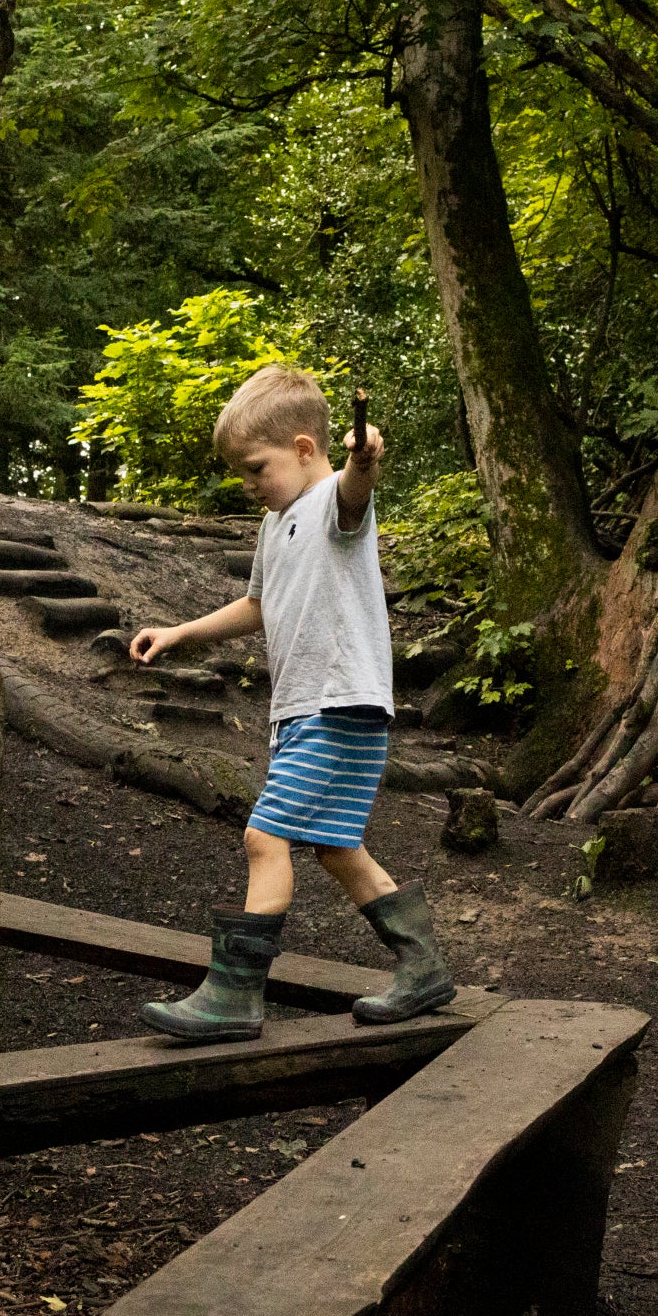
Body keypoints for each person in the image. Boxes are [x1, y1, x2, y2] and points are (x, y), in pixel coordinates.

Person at [126, 364, 455, 1042]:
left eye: (256, 468)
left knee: (264, 834)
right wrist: (181, 631)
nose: (249, 486)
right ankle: (423, 967)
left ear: (305, 448)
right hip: (304, 710)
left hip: (341, 705)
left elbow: (357, 486)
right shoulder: (275, 525)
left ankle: (236, 993)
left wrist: (366, 460)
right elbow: (256, 605)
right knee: (337, 847)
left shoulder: (334, 502)